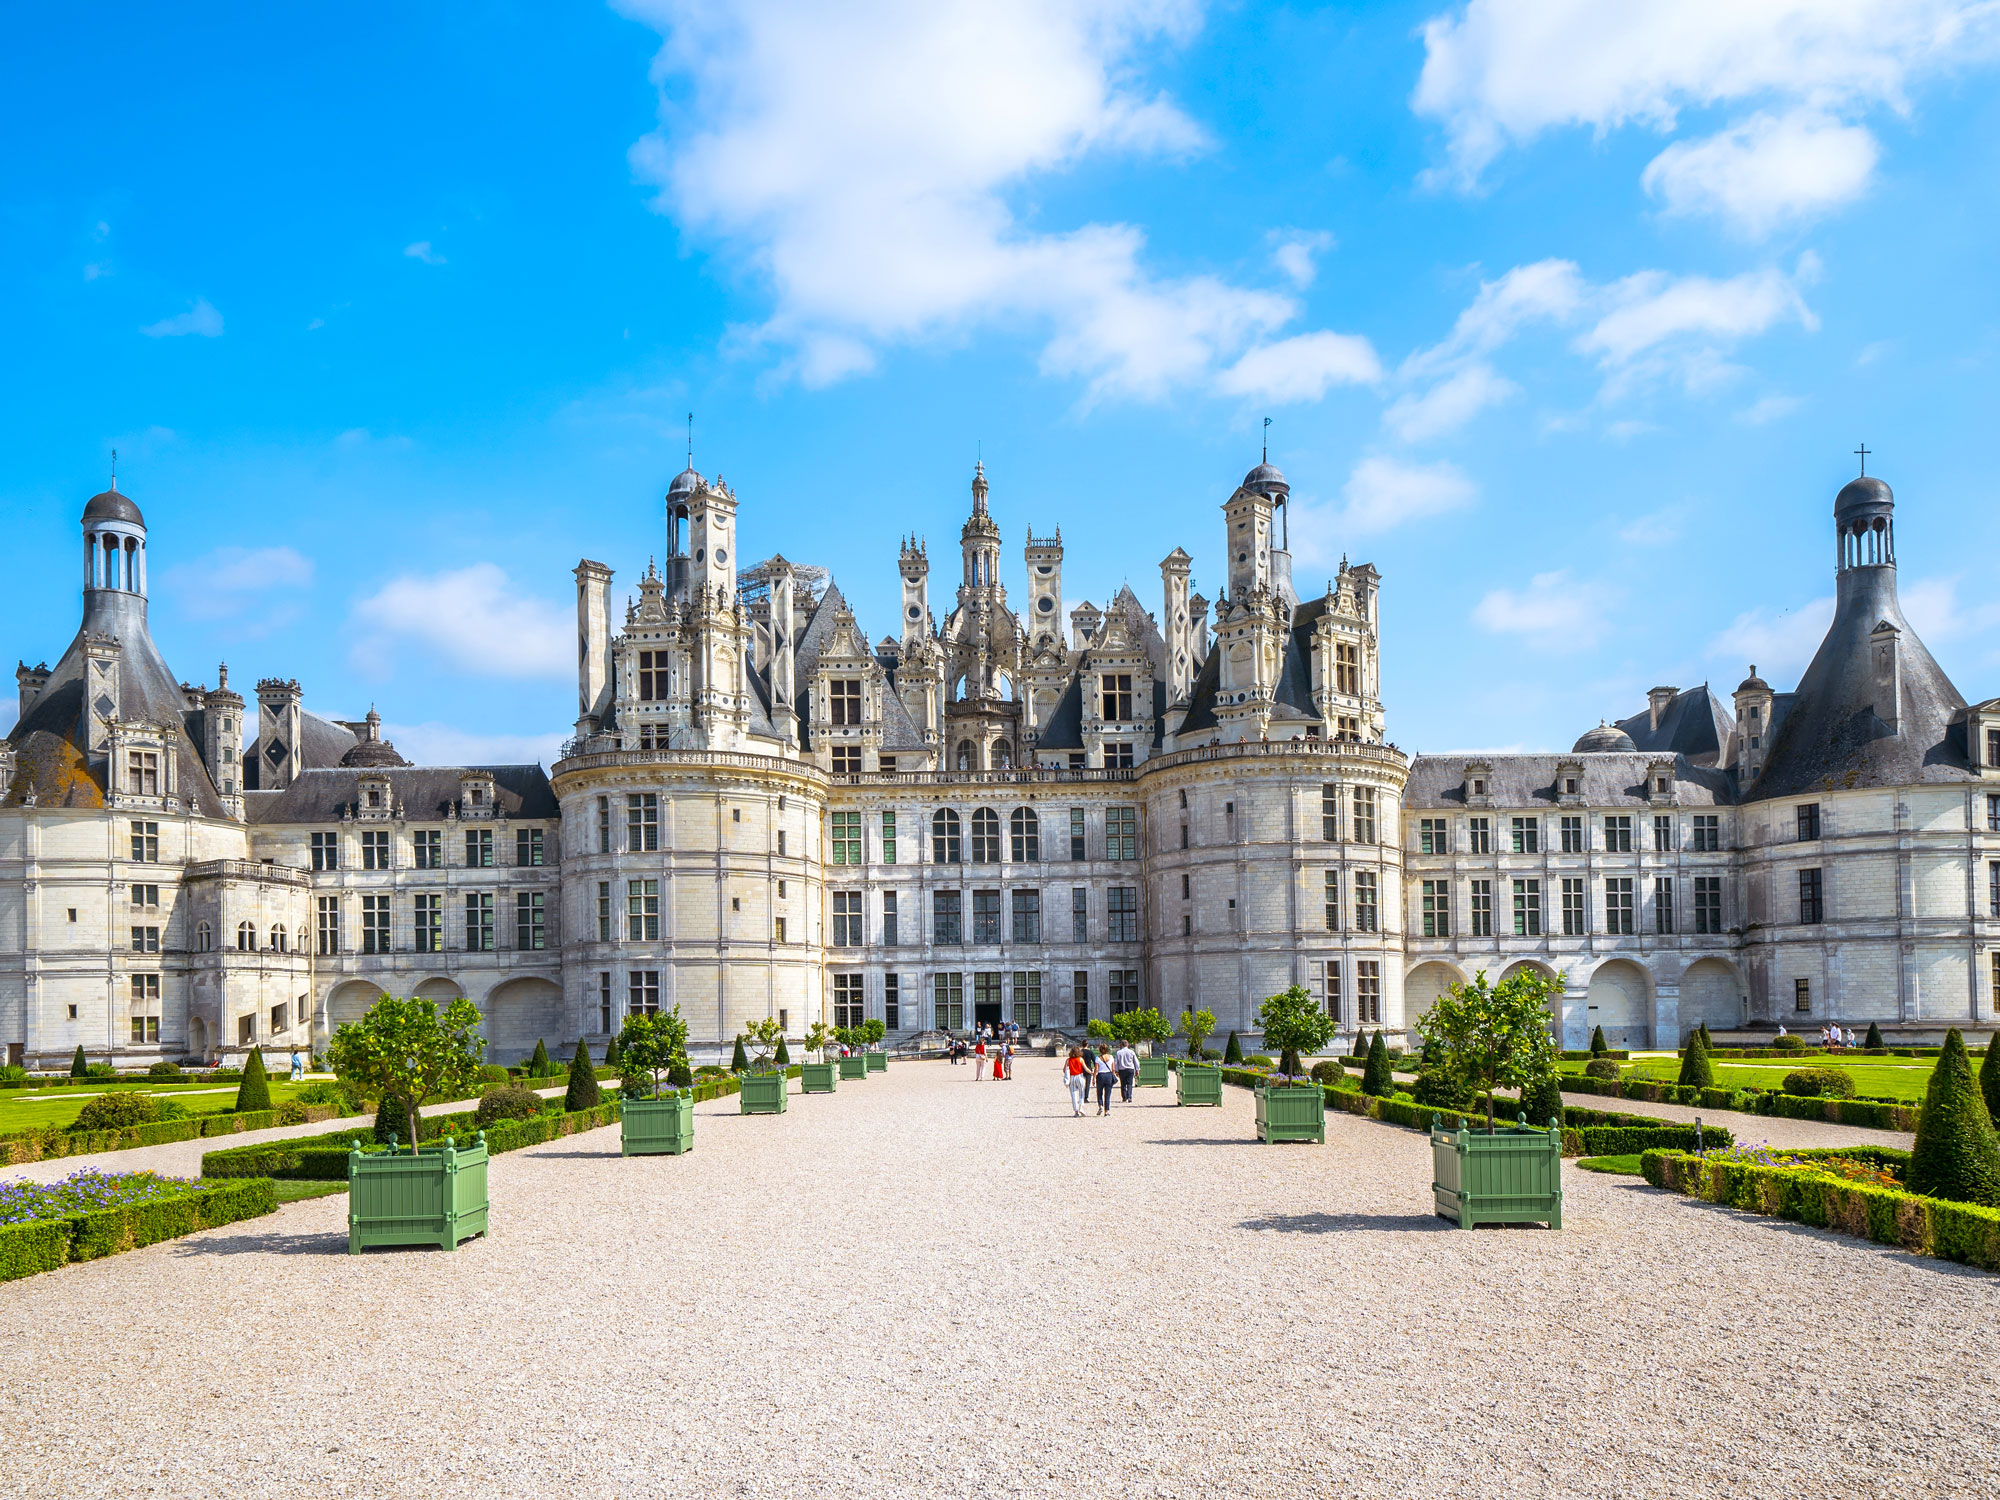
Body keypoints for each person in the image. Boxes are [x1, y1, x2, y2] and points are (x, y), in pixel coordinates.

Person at [1065, 1047, 1088, 1116]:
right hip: (1079, 1076)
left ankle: (1076, 1111)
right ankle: (1081, 1107)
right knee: (1081, 1093)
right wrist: (1092, 1073)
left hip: (1072, 1077)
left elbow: (1064, 1070)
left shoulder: (1068, 1060)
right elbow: (1086, 1068)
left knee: (1073, 1095)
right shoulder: (1080, 1059)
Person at [1094, 1045, 1117, 1115]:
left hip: (1100, 1075)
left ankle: (1100, 1106)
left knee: (1099, 1092)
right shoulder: (1111, 1057)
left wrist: (1093, 1077)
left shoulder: (1098, 1058)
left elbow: (1096, 1069)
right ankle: (1106, 1111)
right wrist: (1113, 1075)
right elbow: (1113, 1069)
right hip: (1109, 1075)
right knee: (1108, 1094)